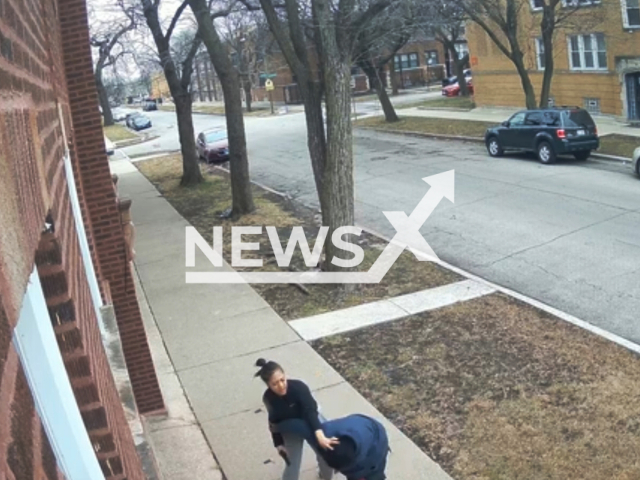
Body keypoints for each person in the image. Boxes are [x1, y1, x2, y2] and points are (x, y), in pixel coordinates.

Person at [255, 358, 336, 480]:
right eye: (275, 384)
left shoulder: (299, 388)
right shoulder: (269, 398)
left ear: (285, 375)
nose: (281, 386)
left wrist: (319, 434)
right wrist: (278, 443)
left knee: (325, 454)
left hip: (311, 421)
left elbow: (310, 412)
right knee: (292, 463)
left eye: (282, 380)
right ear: (268, 385)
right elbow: (274, 421)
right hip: (291, 428)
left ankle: (325, 476)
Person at [320, 414, 389, 480]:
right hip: (357, 427)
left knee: (373, 474)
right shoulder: (323, 435)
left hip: (375, 437)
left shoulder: (376, 449)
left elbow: (373, 467)